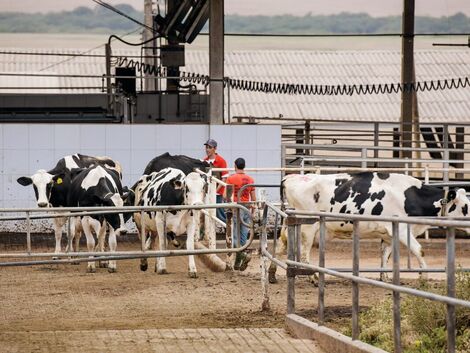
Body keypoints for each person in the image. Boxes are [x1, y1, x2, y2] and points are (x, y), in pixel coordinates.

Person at [225, 157, 256, 271]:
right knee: (243, 235)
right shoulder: (250, 179)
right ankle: (238, 263)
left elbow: (226, 196)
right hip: (247, 207)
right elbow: (253, 198)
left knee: (234, 235)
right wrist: (253, 210)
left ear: (235, 166)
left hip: (237, 207)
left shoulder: (231, 179)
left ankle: (241, 256)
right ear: (244, 166)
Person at [203, 139, 228, 222]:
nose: (207, 149)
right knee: (206, 213)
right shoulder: (204, 160)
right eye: (206, 147)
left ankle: (231, 229)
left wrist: (215, 191)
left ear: (215, 148)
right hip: (207, 192)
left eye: (210, 147)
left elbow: (224, 178)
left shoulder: (221, 161)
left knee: (220, 213)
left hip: (217, 193)